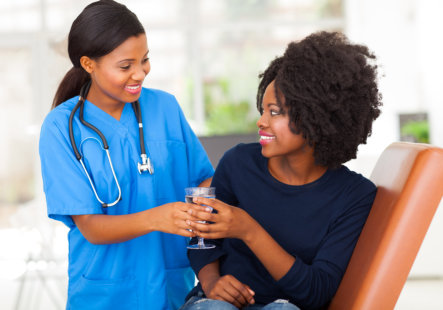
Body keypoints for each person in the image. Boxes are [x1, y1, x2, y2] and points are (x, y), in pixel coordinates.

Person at [181, 31, 382, 310]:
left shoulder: (355, 196)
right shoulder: (239, 163)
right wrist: (212, 282)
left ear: (316, 117)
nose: (261, 122)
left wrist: (249, 230)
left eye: (275, 112)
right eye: (263, 110)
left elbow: (316, 291)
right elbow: (201, 238)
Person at [39, 1, 213, 309]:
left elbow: (202, 178)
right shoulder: (61, 128)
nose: (140, 73)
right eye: (125, 66)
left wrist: (202, 212)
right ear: (89, 64)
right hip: (105, 294)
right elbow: (91, 226)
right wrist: (158, 217)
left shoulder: (165, 108)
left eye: (144, 60)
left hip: (173, 287)